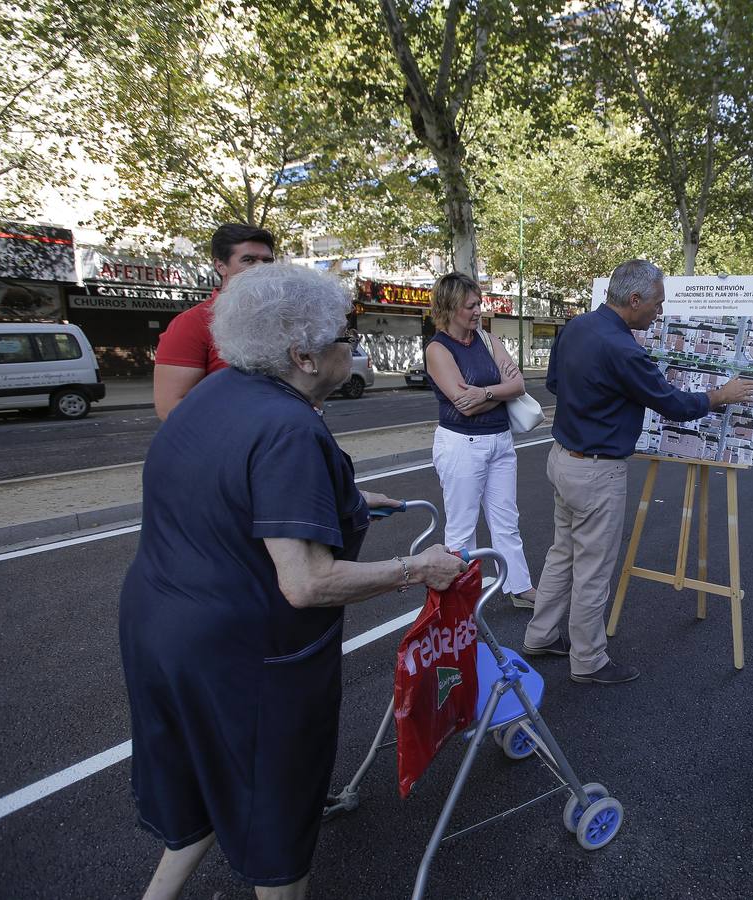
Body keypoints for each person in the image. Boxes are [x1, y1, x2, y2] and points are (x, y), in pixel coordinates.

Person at [120, 264, 465, 900]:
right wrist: (419, 568)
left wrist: (348, 500)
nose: (354, 347)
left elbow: (229, 494)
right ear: (303, 355)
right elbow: (306, 584)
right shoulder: (291, 427)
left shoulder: (208, 400)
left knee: (201, 781)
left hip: (157, 631)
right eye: (346, 335)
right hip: (243, 655)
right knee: (274, 811)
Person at [522, 259, 753, 685]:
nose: (660, 312)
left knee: (562, 554)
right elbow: (671, 403)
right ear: (634, 300)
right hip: (597, 471)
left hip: (562, 458)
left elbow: (556, 384)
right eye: (657, 304)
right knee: (593, 569)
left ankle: (540, 635)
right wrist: (720, 394)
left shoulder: (575, 327)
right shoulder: (624, 349)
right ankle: (588, 660)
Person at [425, 271, 538, 607]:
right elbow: (464, 405)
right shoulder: (438, 348)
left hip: (501, 442)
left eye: (479, 304)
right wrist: (497, 392)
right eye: (470, 305)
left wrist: (486, 391)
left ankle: (519, 587)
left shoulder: (488, 341)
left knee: (507, 520)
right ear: (449, 307)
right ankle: (461, 598)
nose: (478, 311)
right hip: (462, 444)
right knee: (461, 529)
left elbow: (518, 386)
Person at [152, 223, 276, 420]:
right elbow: (170, 408)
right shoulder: (192, 323)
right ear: (220, 266)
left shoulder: (283, 318)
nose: (261, 268)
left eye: (267, 261)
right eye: (249, 260)